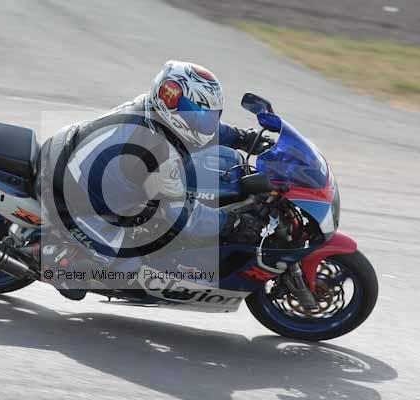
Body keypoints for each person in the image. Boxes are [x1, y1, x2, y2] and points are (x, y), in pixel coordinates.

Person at [39, 60, 271, 300]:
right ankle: (54, 257)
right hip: (74, 200)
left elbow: (207, 130)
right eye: (201, 114)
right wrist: (231, 222)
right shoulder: (155, 149)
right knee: (130, 272)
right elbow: (183, 215)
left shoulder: (156, 113)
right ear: (173, 105)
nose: (207, 122)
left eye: (212, 115)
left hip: (75, 155)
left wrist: (246, 138)